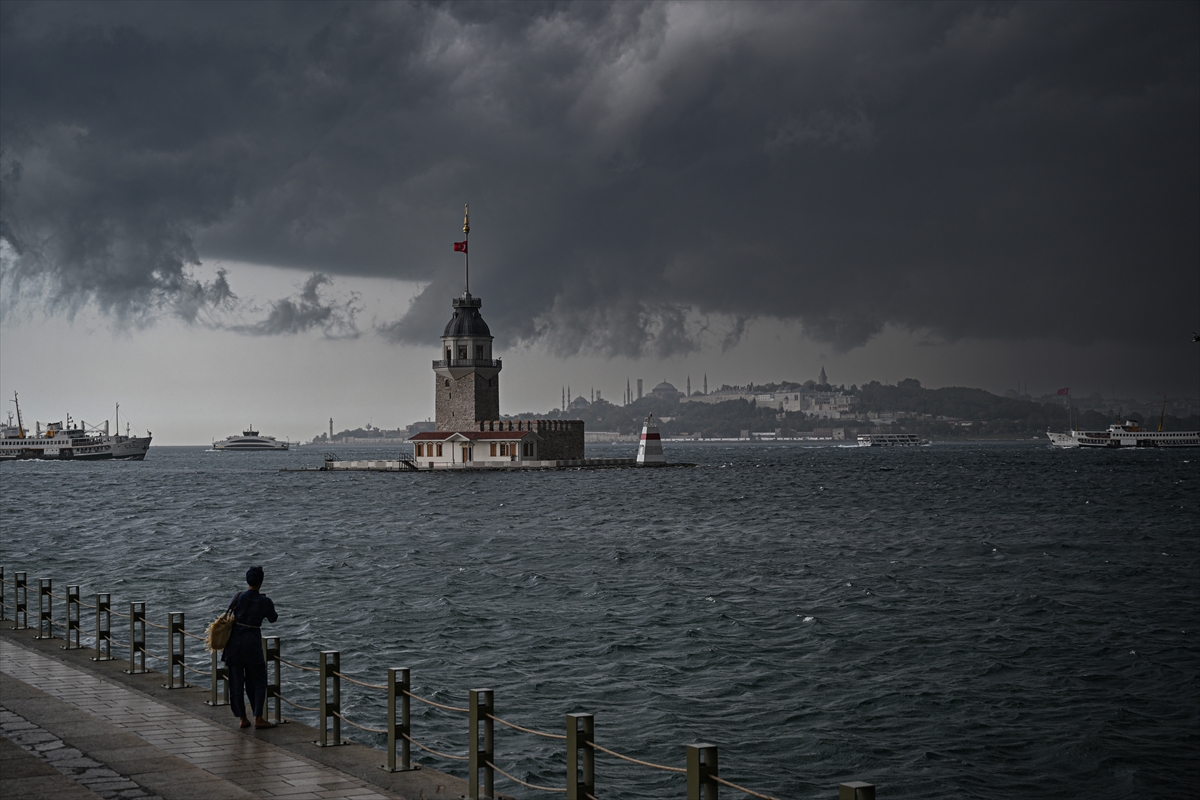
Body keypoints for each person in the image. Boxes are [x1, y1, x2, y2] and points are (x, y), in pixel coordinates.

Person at [222, 565, 278, 729]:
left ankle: (242, 718)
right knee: (258, 681)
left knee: (236, 682)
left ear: (248, 580)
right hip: (252, 645)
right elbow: (273, 618)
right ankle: (258, 717)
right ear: (261, 581)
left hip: (234, 645)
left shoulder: (238, 596)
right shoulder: (265, 601)